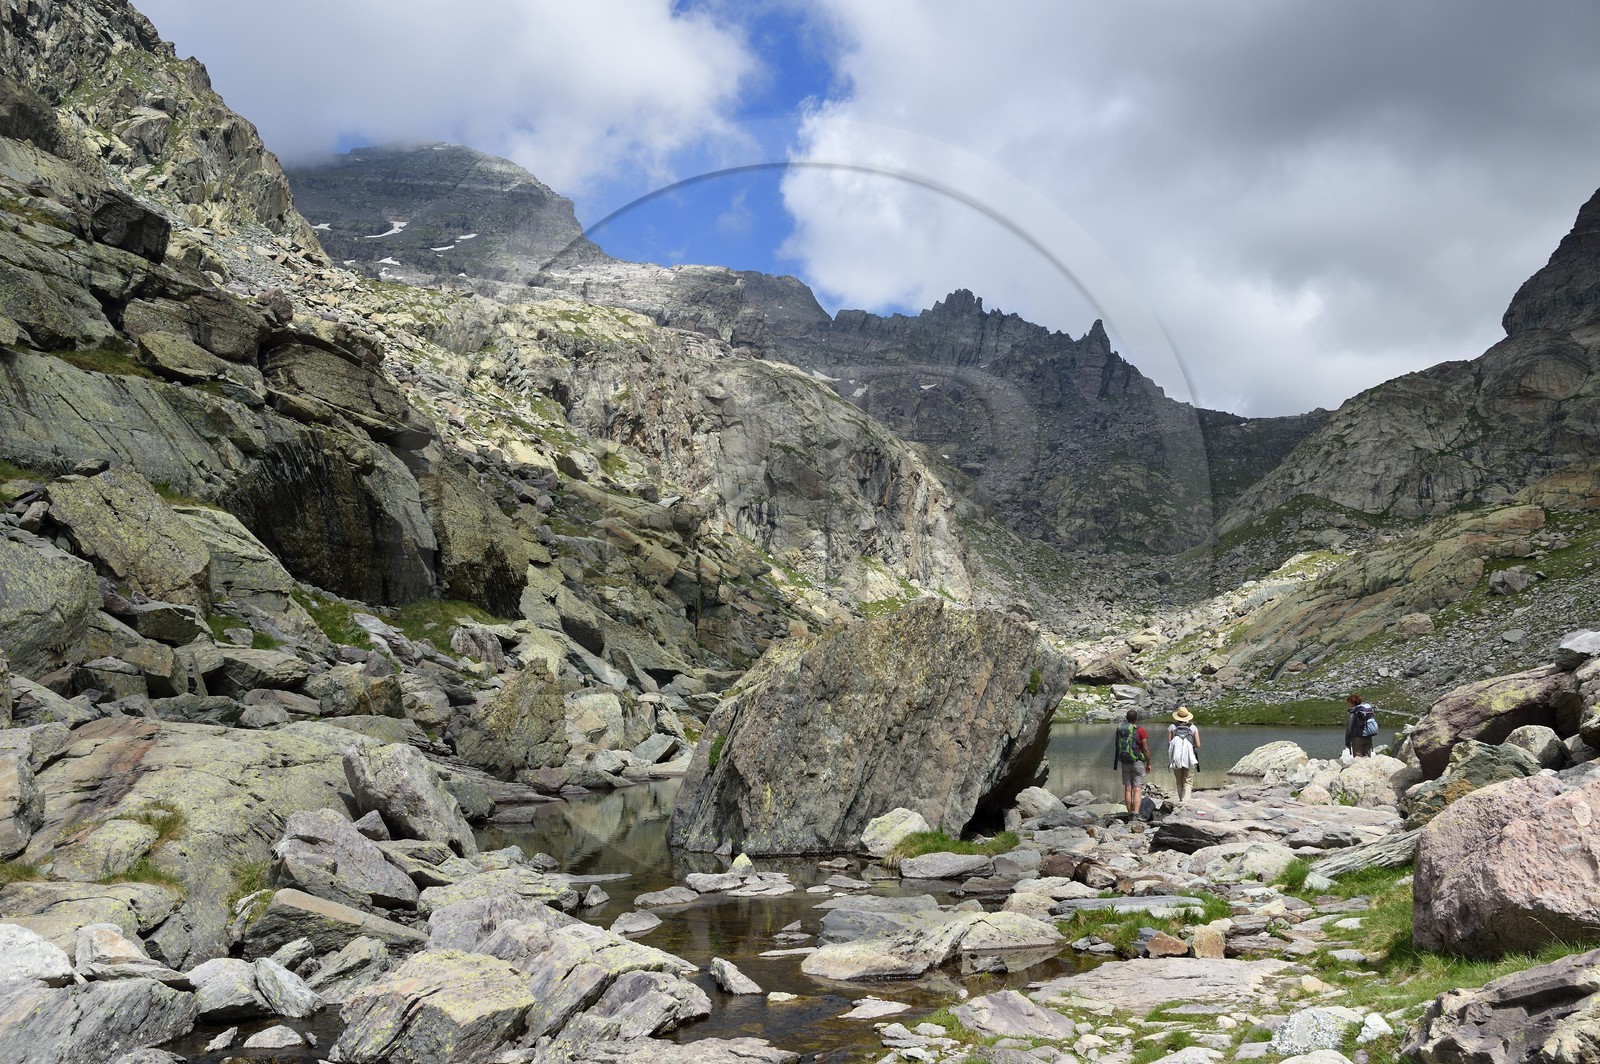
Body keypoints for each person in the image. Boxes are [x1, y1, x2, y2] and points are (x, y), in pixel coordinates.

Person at [1112, 708, 1152, 815]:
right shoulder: (1140, 730)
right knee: (1137, 788)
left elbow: (1117, 746)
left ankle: (1129, 812)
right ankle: (1136, 813)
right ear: (1136, 718)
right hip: (1137, 762)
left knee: (1128, 788)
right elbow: (1146, 748)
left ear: (1126, 718)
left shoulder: (1120, 730)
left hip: (1125, 761)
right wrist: (1149, 763)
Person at [1166, 706, 1201, 803]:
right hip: (1190, 758)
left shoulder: (1172, 727)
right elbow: (1198, 745)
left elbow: (1169, 744)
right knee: (1188, 781)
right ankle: (1185, 801)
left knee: (1179, 780)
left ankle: (1181, 799)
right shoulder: (1193, 727)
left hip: (1176, 758)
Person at [1344, 693, 1377, 757]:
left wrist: (1347, 742)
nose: (1348, 704)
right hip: (1368, 737)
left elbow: (1349, 728)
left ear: (1352, 702)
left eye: (1348, 703)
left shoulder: (1354, 712)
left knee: (1358, 759)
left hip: (1357, 738)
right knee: (1367, 758)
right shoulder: (1367, 710)